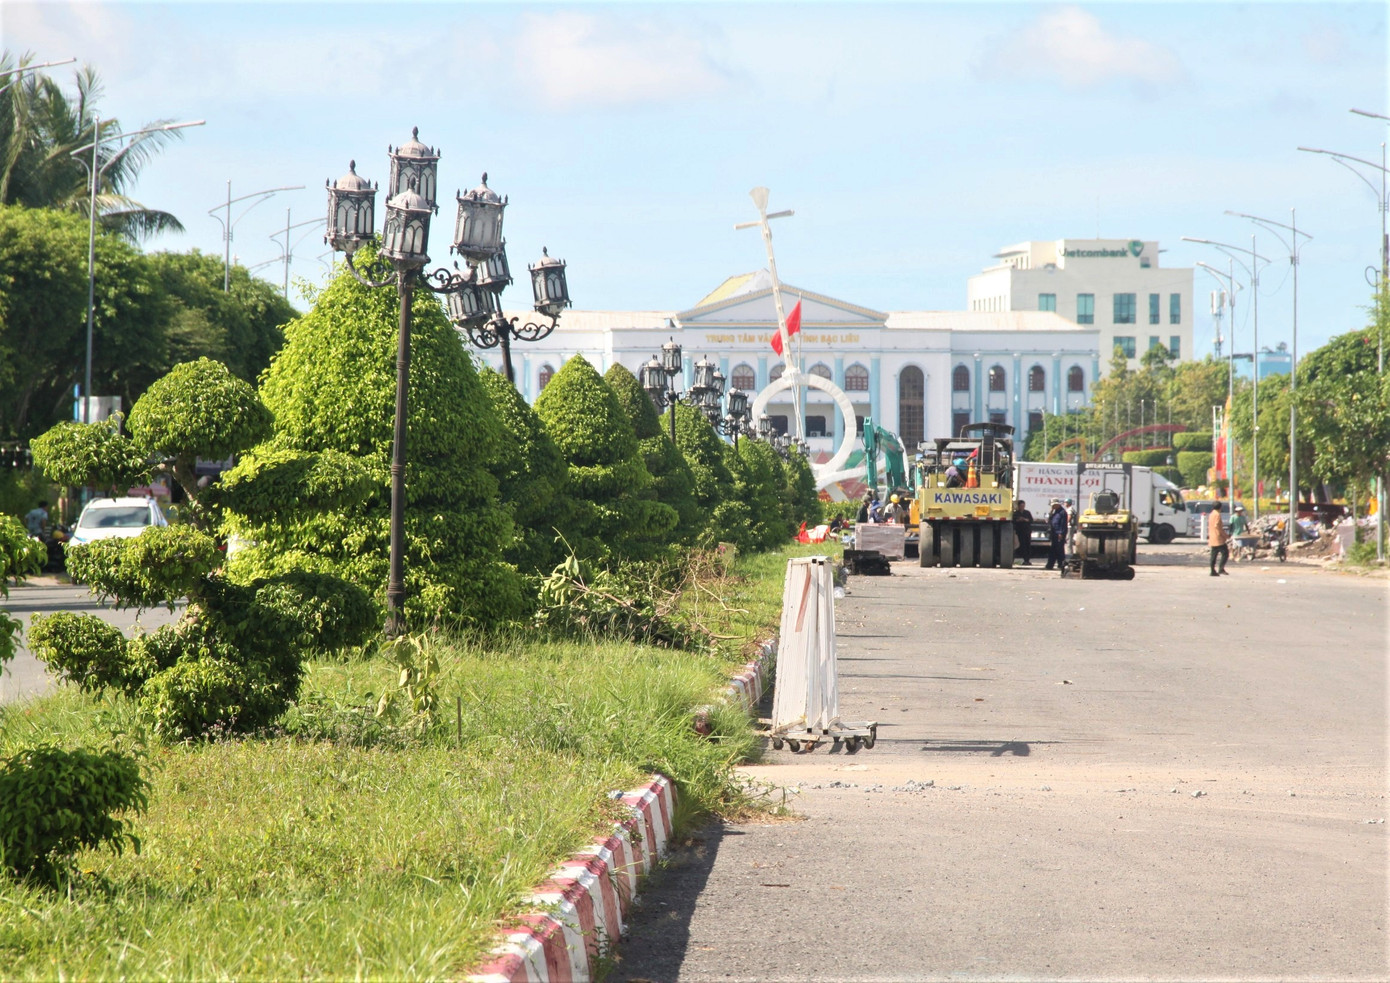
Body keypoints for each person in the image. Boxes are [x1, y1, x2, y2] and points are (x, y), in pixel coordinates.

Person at [1045, 500, 1068, 571]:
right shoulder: (1055, 512)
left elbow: (1063, 524)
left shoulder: (1062, 512)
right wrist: (1051, 511)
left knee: (1059, 550)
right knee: (1053, 550)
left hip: (1059, 534)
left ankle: (1061, 565)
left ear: (1057, 504)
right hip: (1054, 533)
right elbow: (1049, 520)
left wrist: (1060, 533)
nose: (1052, 506)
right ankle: (1050, 565)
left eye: (1053, 505)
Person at [1208, 504, 1230, 576]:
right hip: (1218, 537)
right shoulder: (1217, 515)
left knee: (1214, 555)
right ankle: (1221, 568)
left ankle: (1212, 570)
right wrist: (1224, 535)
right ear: (1220, 507)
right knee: (1225, 553)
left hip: (1212, 537)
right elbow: (1217, 526)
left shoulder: (1211, 514)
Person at [1013, 498, 1034, 565]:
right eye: (1021, 506)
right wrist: (1018, 520)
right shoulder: (1016, 513)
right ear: (1018, 506)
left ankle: (1027, 560)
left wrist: (1025, 519)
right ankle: (1024, 559)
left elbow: (1031, 520)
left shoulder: (1027, 513)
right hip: (1020, 532)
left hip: (1027, 531)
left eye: (1023, 506)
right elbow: (1013, 521)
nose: (1022, 507)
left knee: (1028, 545)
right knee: (1022, 546)